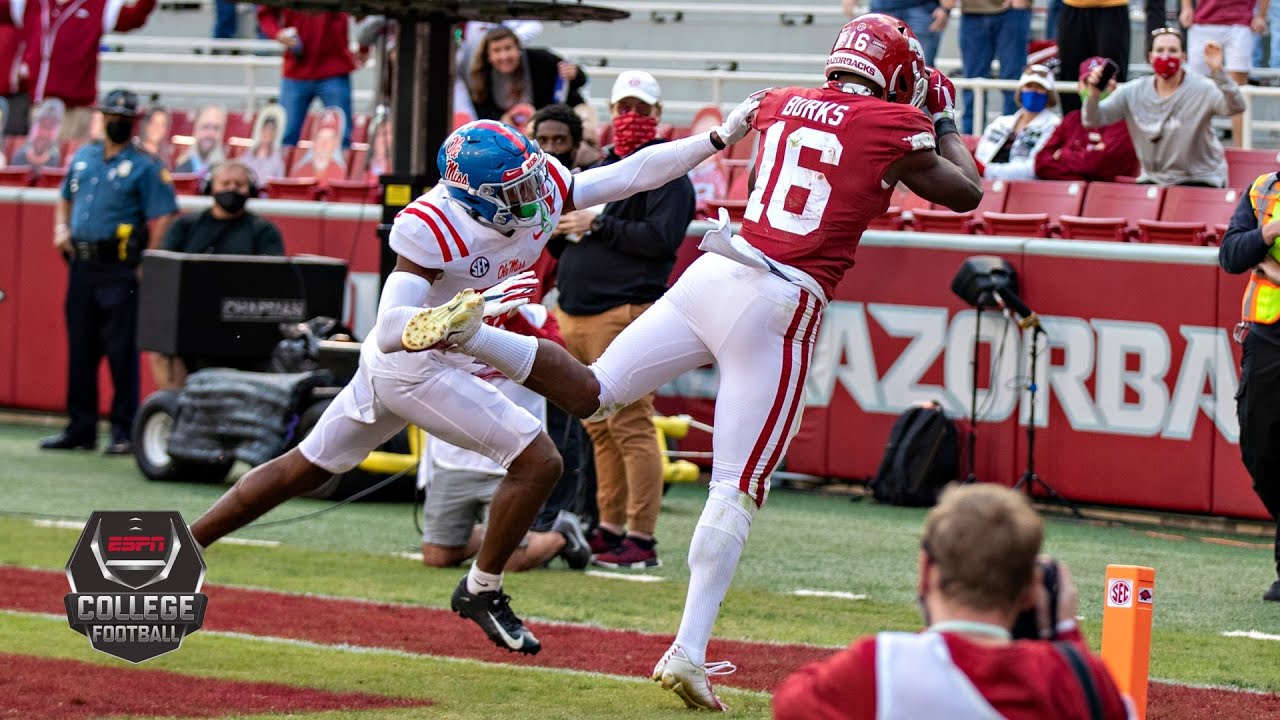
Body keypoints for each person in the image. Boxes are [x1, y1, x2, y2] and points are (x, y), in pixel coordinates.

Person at [408, 14, 982, 709]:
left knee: (597, 393)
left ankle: (471, 335)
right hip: (780, 299)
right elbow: (968, 191)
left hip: (714, 272)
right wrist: (943, 114)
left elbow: (832, 134)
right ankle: (687, 651)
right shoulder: (895, 121)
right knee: (735, 486)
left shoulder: (777, 101)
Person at [185, 99, 762, 660]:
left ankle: (188, 547)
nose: (535, 195)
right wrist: (468, 311)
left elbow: (630, 175)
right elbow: (388, 328)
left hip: (449, 351)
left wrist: (714, 140)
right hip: (416, 364)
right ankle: (482, 588)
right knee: (540, 461)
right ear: (475, 199)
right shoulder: (432, 226)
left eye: (532, 178)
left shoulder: (532, 181)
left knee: (306, 466)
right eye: (515, 192)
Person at [771, 484, 1134, 719]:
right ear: (1030, 590)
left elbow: (789, 704)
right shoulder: (1076, 681)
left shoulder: (879, 665)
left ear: (926, 571)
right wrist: (1066, 638)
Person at [549, 70, 696, 570]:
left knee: (632, 425)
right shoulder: (605, 168)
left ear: (657, 115)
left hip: (625, 309)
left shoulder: (670, 174)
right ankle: (610, 527)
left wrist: (599, 223)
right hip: (576, 310)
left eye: (640, 109)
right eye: (623, 108)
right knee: (600, 427)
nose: (630, 117)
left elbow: (661, 240)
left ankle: (641, 537)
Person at [39, 89, 178, 455]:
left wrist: (149, 257)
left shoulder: (147, 165)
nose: (117, 121)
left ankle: (122, 429)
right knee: (81, 346)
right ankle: (80, 427)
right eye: (112, 114)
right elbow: (65, 195)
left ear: (133, 123)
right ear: (102, 116)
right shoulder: (83, 156)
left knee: (120, 349)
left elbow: (162, 213)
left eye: (124, 117)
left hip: (120, 264)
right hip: (82, 262)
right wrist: (60, 229)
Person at [420, 310, 591, 573]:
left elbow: (556, 362)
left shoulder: (538, 316)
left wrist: (510, 319)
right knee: (437, 556)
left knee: (508, 562)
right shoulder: (445, 309)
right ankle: (496, 535)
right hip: (453, 455)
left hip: (514, 459)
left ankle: (560, 535)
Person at [1218, 167, 1280, 602]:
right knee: (1259, 449)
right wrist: (1267, 234)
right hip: (1268, 336)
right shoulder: (1264, 189)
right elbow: (1230, 255)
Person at [1083, 28, 1245, 187]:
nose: (1165, 56)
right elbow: (1092, 120)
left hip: (1200, 178)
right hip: (1153, 179)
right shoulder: (1132, 91)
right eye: (1159, 50)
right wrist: (1094, 94)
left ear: (1183, 57)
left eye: (1173, 50)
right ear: (1150, 57)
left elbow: (1236, 107)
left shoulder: (1203, 88)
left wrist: (1219, 72)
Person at [0, 0, 159, 141]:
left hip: (73, 108)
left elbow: (132, 18)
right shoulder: (32, 3)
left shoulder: (99, 4)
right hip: (32, 103)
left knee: (62, 165)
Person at [257, 6, 363, 148]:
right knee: (285, 137)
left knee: (341, 138)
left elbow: (365, 14)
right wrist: (277, 33)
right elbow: (266, 13)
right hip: (298, 70)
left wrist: (365, 45)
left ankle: (339, 170)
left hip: (333, 67)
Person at [1035, 57, 1140, 182]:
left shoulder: (1124, 122)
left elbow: (1099, 166)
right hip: (1070, 195)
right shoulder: (1071, 119)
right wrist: (1084, 171)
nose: (1093, 90)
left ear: (1113, 87)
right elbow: (1041, 163)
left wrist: (1063, 154)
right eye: (1088, 83)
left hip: (1111, 196)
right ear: (1079, 88)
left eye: (1100, 84)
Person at [1180, 0, 1266, 145]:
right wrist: (1186, 7)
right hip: (1203, 21)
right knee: (1194, 88)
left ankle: (1241, 149)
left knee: (1239, 90)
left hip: (1240, 22)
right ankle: (1193, 148)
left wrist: (1261, 15)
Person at [463, 26, 586, 123]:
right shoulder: (482, 77)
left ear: (518, 48)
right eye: (497, 50)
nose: (504, 56)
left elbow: (580, 80)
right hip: (510, 131)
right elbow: (484, 114)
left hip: (554, 120)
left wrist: (574, 73)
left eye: (508, 48)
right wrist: (505, 119)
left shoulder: (542, 59)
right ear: (488, 56)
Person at [942, 0, 1030, 134]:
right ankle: (971, 141)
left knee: (1012, 82)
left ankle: (1012, 140)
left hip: (1011, 11)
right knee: (972, 83)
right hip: (972, 10)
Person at [974, 64, 1061, 180]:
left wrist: (986, 171)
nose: (1033, 91)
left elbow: (1034, 168)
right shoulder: (1000, 123)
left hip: (1025, 190)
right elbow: (980, 157)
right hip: (983, 184)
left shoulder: (1054, 125)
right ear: (1021, 91)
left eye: (1040, 87)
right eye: (1029, 86)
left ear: (1049, 94)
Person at [1054, 0, 1132, 115]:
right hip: (1072, 7)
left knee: (1111, 77)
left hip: (1113, 6)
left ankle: (1112, 130)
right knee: (1070, 78)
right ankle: (1073, 130)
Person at [845, 0, 948, 66]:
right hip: (883, 8)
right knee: (876, 67)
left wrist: (946, 8)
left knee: (923, 68)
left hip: (922, 9)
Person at [289, 106, 345, 184]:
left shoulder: (339, 171)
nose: (324, 145)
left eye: (329, 140)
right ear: (314, 141)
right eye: (320, 138)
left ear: (336, 143)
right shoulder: (301, 170)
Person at [175, 104, 227, 178]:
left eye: (216, 128)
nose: (210, 134)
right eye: (205, 127)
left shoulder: (226, 174)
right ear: (196, 129)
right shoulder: (181, 170)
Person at [10, 98, 63, 171]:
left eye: (50, 128)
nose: (44, 134)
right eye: (42, 126)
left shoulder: (59, 163)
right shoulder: (18, 158)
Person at [239, 104, 287, 182]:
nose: (267, 133)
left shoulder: (277, 161)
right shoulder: (247, 155)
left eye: (271, 130)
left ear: (275, 133)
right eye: (265, 129)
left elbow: (279, 184)